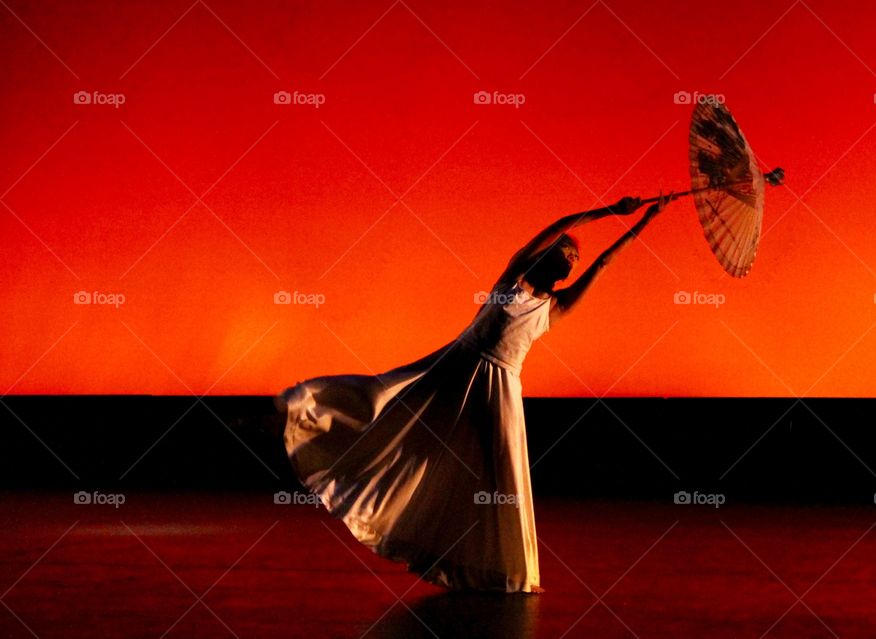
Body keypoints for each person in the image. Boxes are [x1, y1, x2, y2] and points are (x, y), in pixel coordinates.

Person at [275, 192, 675, 593]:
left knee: (502, 472)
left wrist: (647, 221)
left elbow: (604, 263)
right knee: (391, 407)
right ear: (546, 254)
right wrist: (611, 212)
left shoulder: (555, 308)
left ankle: (506, 570)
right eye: (567, 252)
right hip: (457, 367)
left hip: (499, 387)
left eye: (575, 259)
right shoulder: (511, 282)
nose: (572, 260)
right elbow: (557, 228)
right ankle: (319, 425)